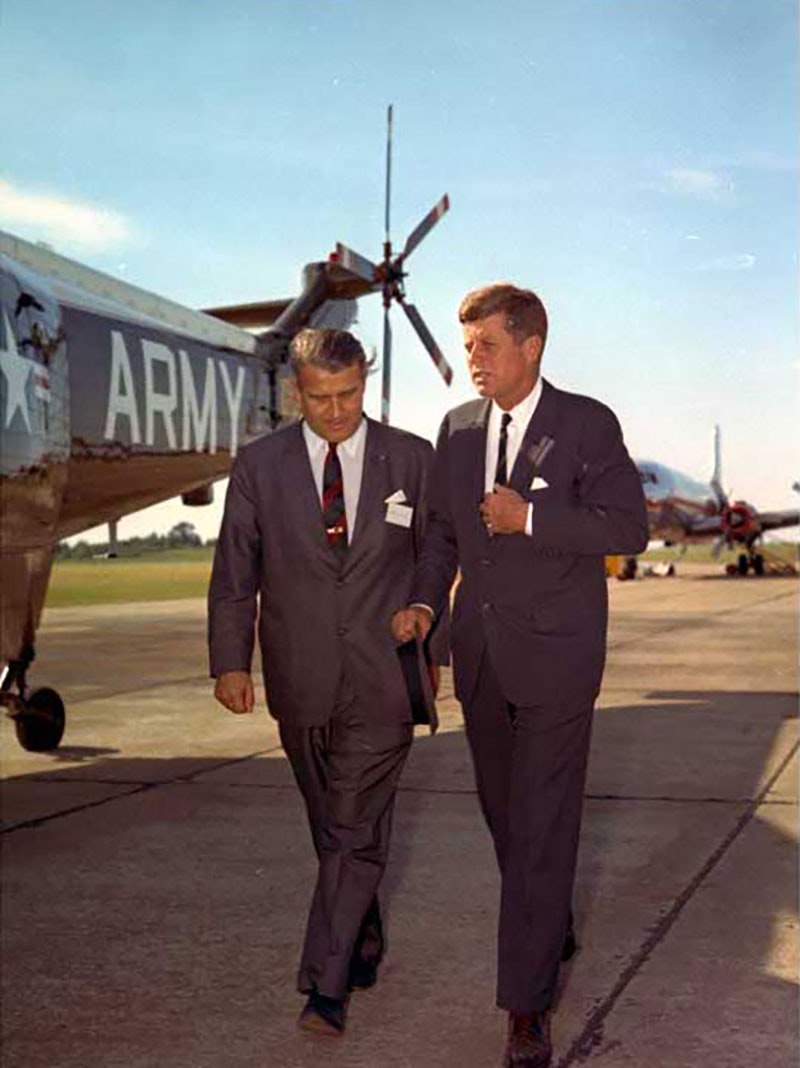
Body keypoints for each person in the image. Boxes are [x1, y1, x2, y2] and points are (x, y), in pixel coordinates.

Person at [392, 284, 648, 1068]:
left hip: (560, 660)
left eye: (486, 346)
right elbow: (438, 537)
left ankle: (526, 1010)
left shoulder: (586, 423)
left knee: (539, 824)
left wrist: (532, 517)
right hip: (482, 658)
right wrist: (426, 610)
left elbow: (627, 526)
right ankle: (547, 919)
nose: (473, 360)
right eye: (466, 346)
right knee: (508, 817)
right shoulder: (458, 430)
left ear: (530, 346)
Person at [208, 328, 444, 1037]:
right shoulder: (258, 465)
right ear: (295, 392)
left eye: (348, 396)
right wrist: (229, 661)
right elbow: (235, 571)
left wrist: (426, 606)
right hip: (299, 675)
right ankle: (360, 930)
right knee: (334, 826)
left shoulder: (412, 456)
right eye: (320, 398)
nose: (337, 412)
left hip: (384, 674)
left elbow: (437, 547)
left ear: (364, 384)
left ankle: (325, 986)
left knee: (352, 827)